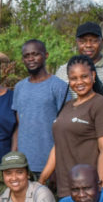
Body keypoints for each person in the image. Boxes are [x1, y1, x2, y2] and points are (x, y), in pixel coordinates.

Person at [40, 55, 103, 198]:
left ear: (93, 76)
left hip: (88, 191)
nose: (79, 82)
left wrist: (100, 187)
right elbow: (59, 145)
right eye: (74, 78)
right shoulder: (67, 106)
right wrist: (43, 177)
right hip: (65, 188)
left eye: (84, 76)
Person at [11, 39, 69, 177]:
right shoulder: (19, 87)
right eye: (26, 56)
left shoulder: (59, 86)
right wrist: (13, 156)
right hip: (23, 165)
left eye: (35, 54)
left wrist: (58, 164)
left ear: (46, 55)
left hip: (49, 164)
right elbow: (20, 124)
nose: (31, 59)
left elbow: (66, 128)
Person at [55, 22, 103, 98]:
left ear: (102, 42)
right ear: (77, 43)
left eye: (94, 41)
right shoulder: (62, 71)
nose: (88, 45)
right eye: (83, 41)